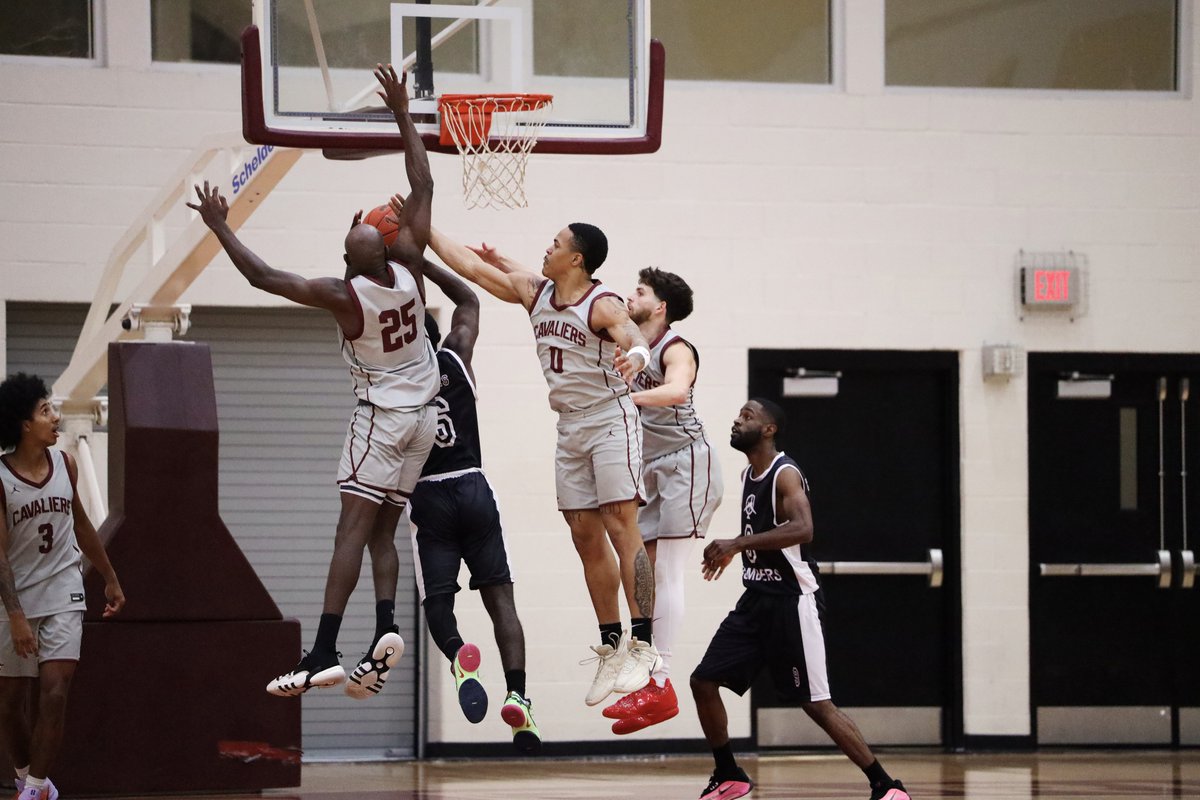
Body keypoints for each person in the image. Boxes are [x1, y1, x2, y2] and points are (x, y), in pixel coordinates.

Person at [187, 64, 438, 700]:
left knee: (348, 531)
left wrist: (219, 225)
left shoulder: (342, 294)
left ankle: (324, 650)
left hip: (381, 418)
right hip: (424, 418)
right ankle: (385, 624)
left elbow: (263, 279)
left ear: (353, 258)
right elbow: (423, 177)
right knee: (384, 531)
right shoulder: (410, 264)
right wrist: (405, 113)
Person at [424, 218, 660, 707]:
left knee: (622, 527)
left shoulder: (602, 303)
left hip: (609, 421)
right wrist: (422, 227)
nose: (546, 248)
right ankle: (613, 645)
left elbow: (631, 333)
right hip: (569, 427)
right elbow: (468, 266)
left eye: (556, 244)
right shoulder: (536, 293)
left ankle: (643, 643)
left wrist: (637, 357)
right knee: (584, 537)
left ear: (576, 258)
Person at [691, 399, 910, 800]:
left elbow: (804, 528)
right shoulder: (747, 475)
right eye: (738, 415)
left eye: (747, 416)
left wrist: (737, 544)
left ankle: (886, 785)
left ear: (769, 429)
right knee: (703, 681)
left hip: (792, 602)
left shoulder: (784, 473)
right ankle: (729, 774)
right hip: (756, 599)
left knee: (817, 705)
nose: (738, 420)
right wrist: (734, 553)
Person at [400, 247, 541, 754]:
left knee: (437, 602)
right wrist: (418, 260)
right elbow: (466, 298)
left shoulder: (395, 378)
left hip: (429, 497)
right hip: (474, 487)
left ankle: (460, 657)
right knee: (502, 599)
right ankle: (520, 698)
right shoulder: (457, 355)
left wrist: (374, 268)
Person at [602, 268, 722, 735]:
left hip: (686, 462)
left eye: (641, 292)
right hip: (653, 467)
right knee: (644, 569)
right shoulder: (627, 347)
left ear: (660, 308)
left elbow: (677, 390)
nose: (631, 296)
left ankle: (662, 681)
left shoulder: (675, 347)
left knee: (668, 569)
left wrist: (627, 402)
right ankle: (650, 673)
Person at [0, 373, 126, 800]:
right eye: (45, 411)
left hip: (63, 590)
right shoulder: (0, 479)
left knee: (56, 691)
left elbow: (83, 524)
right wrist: (15, 615)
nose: (56, 417)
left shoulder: (65, 465)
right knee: (10, 705)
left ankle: (35, 790)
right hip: (14, 598)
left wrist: (108, 577)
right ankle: (26, 778)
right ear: (23, 424)